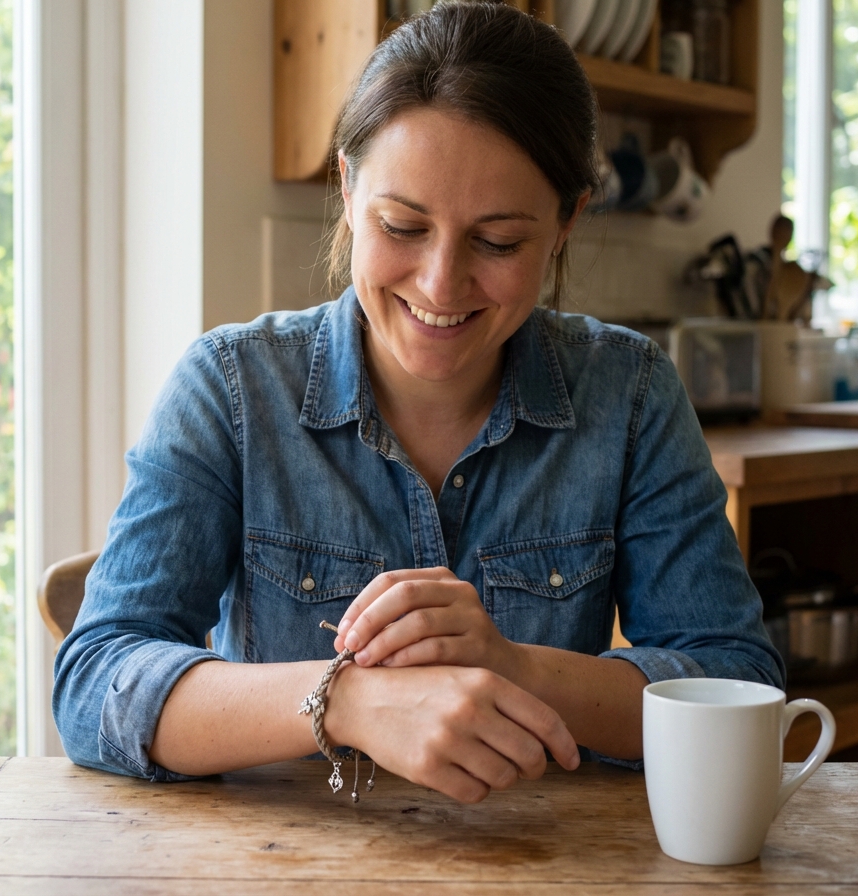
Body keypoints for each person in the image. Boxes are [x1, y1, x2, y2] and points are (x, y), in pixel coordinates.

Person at [53, 0, 783, 804]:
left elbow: (736, 679)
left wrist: (513, 667)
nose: (440, 286)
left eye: (499, 242)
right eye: (402, 225)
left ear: (568, 222)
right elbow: (94, 682)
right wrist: (350, 700)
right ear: (347, 185)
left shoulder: (631, 395)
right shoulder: (232, 387)